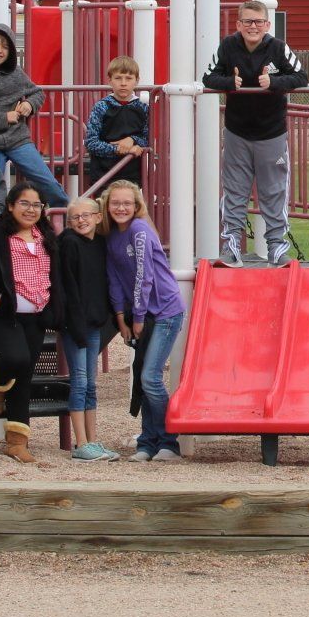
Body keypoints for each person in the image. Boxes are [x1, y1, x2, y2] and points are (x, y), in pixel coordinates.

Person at [0, 181, 67, 464]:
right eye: (25, 204)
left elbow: (54, 274)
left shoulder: (45, 234)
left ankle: (17, 442)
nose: (31, 210)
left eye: (37, 205)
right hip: (2, 314)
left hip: (36, 314)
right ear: (10, 205)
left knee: (25, 377)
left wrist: (55, 308)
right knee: (15, 358)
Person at [203, 0, 308, 265]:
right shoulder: (228, 46)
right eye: (247, 21)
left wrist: (273, 82)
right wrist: (230, 82)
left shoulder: (278, 48)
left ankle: (276, 249)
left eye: (258, 22)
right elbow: (208, 77)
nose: (253, 26)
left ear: (267, 24)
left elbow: (301, 77)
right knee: (234, 191)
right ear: (238, 24)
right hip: (237, 131)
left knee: (273, 191)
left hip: (271, 133)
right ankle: (231, 249)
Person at [104, 179, 186, 461]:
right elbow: (114, 278)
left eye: (127, 203)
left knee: (150, 377)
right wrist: (120, 318)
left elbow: (144, 276)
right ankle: (147, 443)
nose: (121, 208)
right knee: (143, 375)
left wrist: (137, 316)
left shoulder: (140, 231)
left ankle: (168, 442)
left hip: (164, 311)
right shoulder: (111, 234)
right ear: (107, 205)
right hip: (140, 315)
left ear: (137, 206)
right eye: (115, 203)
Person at [0, 25, 69, 209]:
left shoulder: (15, 73)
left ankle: (64, 223)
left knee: (50, 186)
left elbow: (37, 93)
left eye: (5, 47)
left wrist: (29, 105)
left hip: (18, 140)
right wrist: (4, 117)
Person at [55, 195, 117, 462]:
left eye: (86, 216)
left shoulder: (100, 244)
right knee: (79, 382)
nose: (81, 221)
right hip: (75, 324)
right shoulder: (68, 243)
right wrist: (73, 324)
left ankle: (92, 440)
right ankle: (80, 443)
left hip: (93, 322)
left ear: (98, 217)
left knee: (90, 383)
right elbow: (67, 286)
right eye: (76, 217)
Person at [84, 55, 149, 189]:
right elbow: (91, 142)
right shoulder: (101, 106)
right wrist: (118, 149)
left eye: (129, 78)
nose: (123, 83)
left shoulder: (143, 108)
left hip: (133, 175)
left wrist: (132, 139)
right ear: (110, 81)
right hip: (103, 176)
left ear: (137, 81)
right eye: (118, 78)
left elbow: (147, 138)